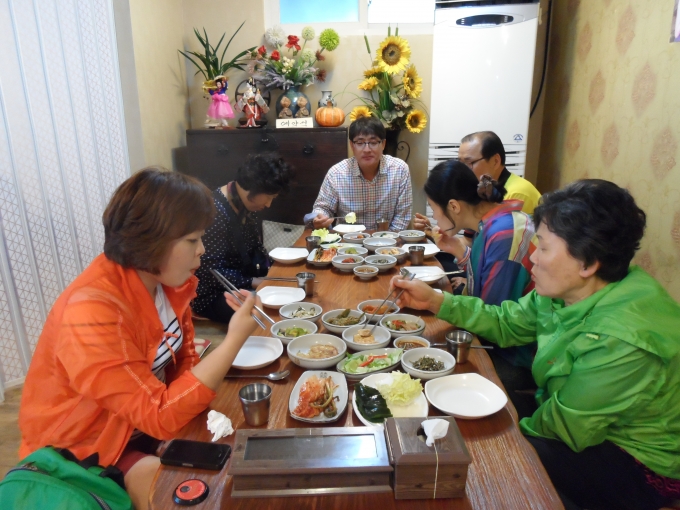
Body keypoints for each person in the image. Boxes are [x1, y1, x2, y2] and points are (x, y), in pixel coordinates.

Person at [391, 179, 680, 510]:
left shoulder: (622, 338)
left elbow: (565, 428)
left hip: (633, 457)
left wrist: (505, 444)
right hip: (565, 414)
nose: (532, 257)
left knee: (485, 462)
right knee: (456, 412)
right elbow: (507, 321)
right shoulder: (569, 290)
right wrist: (435, 301)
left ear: (588, 263)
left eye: (543, 248)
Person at [18, 168, 263, 510]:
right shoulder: (91, 310)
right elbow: (158, 413)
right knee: (188, 495)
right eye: (192, 240)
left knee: (241, 460)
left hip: (143, 427)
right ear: (152, 240)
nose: (202, 250)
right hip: (88, 447)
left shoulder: (167, 283)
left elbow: (184, 359)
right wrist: (235, 339)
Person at [423, 160, 538, 416]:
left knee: (435, 373)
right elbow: (485, 279)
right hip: (501, 336)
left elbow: (492, 317)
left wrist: (435, 300)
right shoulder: (494, 222)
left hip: (516, 356)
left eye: (434, 210)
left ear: (454, 206)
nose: (435, 218)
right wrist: (458, 249)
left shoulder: (503, 234)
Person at [192, 153, 291, 323]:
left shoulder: (246, 204)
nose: (268, 204)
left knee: (287, 300)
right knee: (268, 314)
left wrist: (270, 275)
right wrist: (256, 282)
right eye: (268, 198)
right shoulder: (215, 212)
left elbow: (255, 249)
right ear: (252, 188)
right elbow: (211, 272)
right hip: (214, 294)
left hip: (245, 282)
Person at [305, 115, 413, 231]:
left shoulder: (400, 170)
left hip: (387, 239)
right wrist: (320, 217)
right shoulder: (337, 173)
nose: (367, 150)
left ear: (383, 144)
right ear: (352, 145)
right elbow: (323, 208)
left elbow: (402, 217)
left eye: (373, 142)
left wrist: (386, 238)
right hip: (347, 239)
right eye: (360, 143)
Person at [458, 130, 541, 214]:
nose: (462, 169)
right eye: (460, 163)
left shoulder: (517, 193)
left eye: (469, 162)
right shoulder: (485, 190)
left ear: (495, 161)